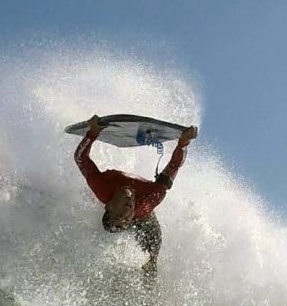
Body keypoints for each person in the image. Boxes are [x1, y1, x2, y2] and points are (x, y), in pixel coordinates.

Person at [74, 114, 197, 277]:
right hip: (146, 218)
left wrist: (93, 132)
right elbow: (174, 167)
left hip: (134, 212)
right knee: (153, 257)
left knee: (151, 258)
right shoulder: (149, 200)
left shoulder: (101, 187)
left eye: (118, 215)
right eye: (126, 218)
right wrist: (183, 143)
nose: (125, 213)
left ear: (109, 205)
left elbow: (80, 158)